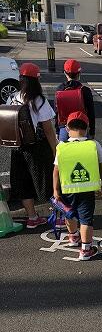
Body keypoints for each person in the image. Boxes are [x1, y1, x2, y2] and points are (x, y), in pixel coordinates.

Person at [53, 111, 102, 260]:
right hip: (87, 189)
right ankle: (85, 249)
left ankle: (72, 237)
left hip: (67, 189)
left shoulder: (61, 147)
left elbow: (56, 170)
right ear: (87, 127)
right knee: (86, 219)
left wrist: (55, 190)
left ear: (67, 128)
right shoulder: (94, 145)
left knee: (69, 213)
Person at [7, 63, 57, 228]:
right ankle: (57, 216)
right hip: (37, 148)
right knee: (47, 181)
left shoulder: (12, 98)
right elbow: (48, 130)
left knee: (24, 183)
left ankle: (32, 217)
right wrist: (55, 150)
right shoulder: (39, 101)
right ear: (36, 81)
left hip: (18, 148)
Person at [55, 59, 95, 142]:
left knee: (63, 149)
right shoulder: (85, 90)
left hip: (65, 128)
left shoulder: (59, 89)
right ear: (79, 73)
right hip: (82, 128)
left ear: (65, 73)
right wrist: (92, 131)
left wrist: (57, 131)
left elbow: (57, 112)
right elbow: (91, 112)